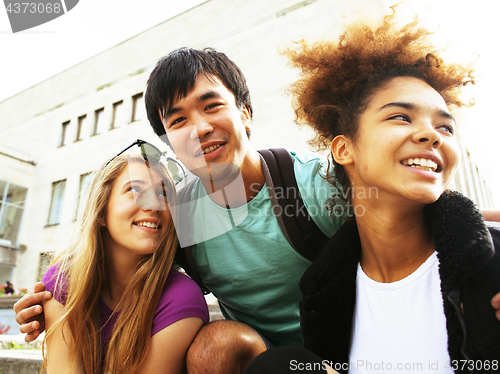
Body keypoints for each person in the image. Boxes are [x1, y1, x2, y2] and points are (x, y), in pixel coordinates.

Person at [15, 45, 500, 374]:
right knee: (215, 345)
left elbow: (422, 205)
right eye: (178, 119)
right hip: (275, 364)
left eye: (212, 106)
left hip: (360, 345)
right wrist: (54, 298)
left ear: (245, 113)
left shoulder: (316, 181)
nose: (199, 128)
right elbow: (124, 264)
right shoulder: (176, 215)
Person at [245, 11, 500, 374]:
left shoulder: (493, 263)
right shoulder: (324, 298)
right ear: (344, 149)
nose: (432, 135)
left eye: (445, 127)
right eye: (401, 117)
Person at [40, 146, 209, 373]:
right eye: (136, 190)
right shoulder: (63, 281)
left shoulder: (182, 297)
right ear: (101, 212)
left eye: (164, 194)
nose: (154, 205)